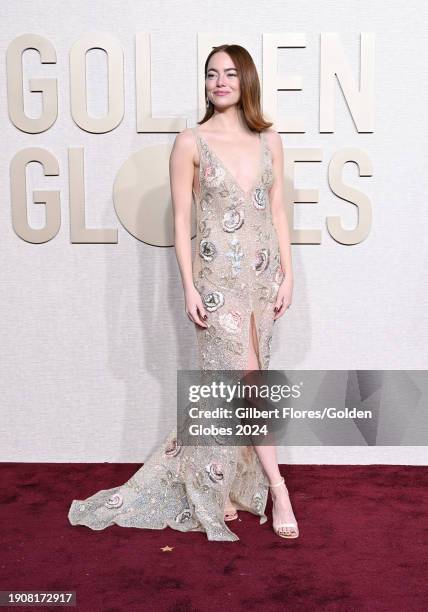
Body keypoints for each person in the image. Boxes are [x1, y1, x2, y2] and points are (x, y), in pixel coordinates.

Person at [68, 44, 298, 542]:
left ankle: (223, 486)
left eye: (230, 73)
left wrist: (289, 273)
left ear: (246, 80)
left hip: (262, 282)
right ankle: (278, 487)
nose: (220, 81)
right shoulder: (190, 142)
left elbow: (277, 210)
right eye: (212, 74)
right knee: (243, 382)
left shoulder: (270, 140)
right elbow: (180, 220)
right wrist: (188, 286)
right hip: (216, 283)